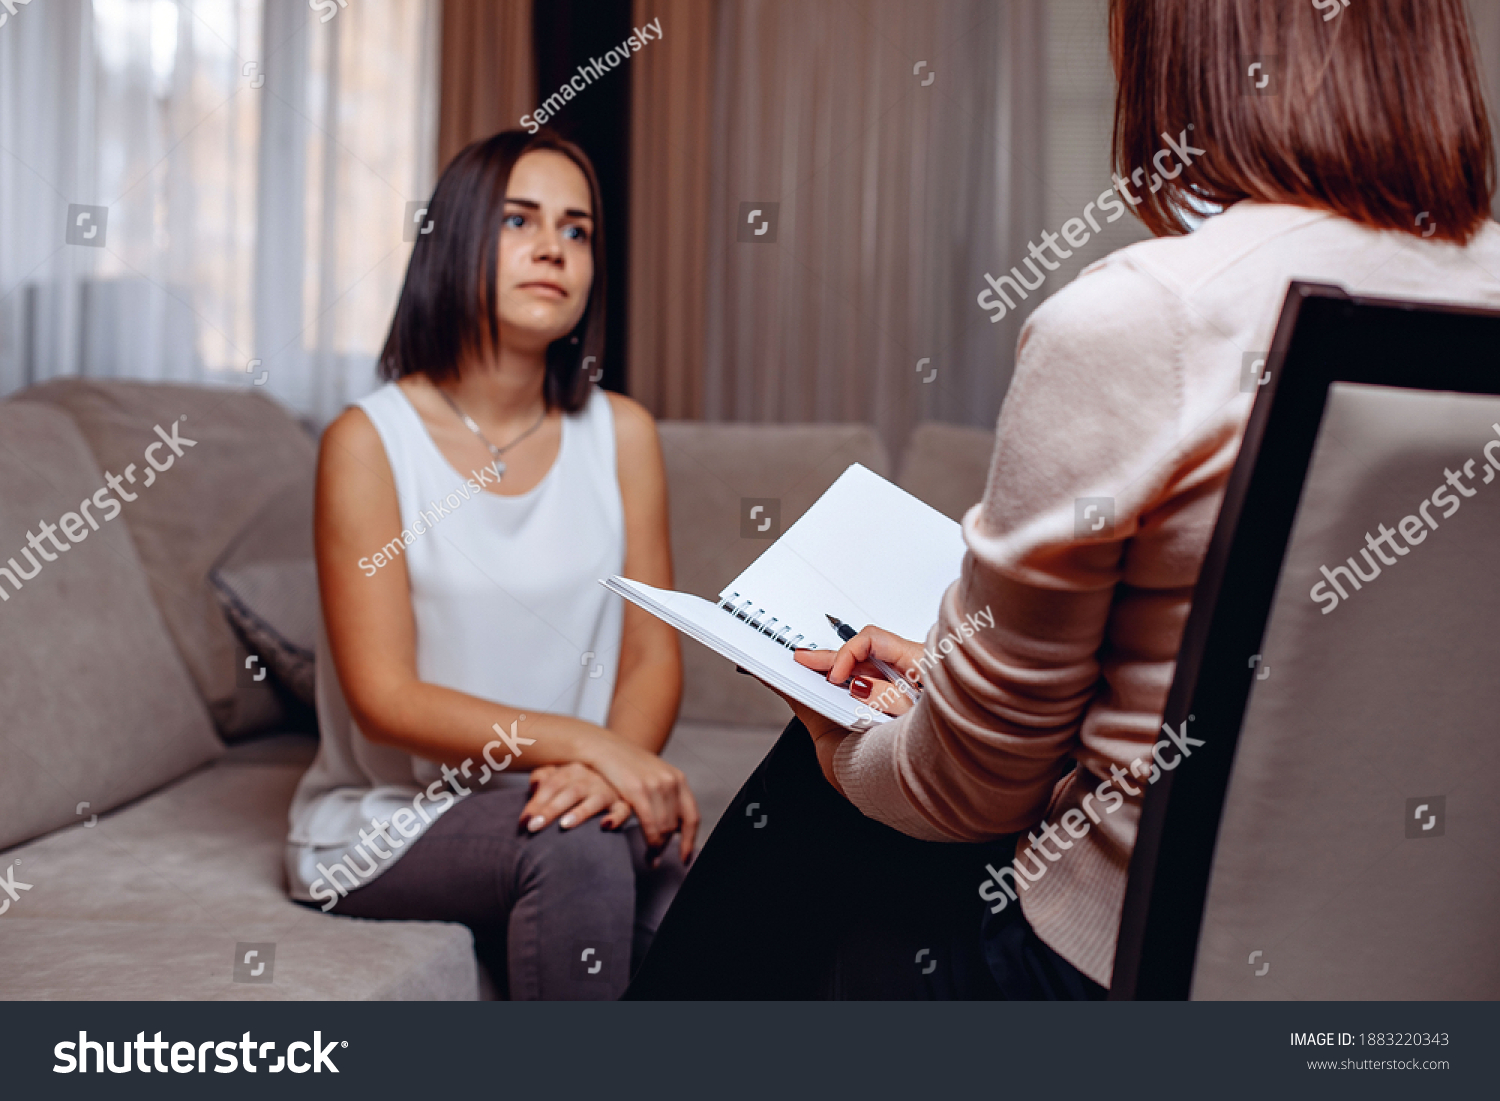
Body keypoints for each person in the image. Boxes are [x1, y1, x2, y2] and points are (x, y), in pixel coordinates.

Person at [626, 0, 1500, 999]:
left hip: (1117, 977)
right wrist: (966, 686)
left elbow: (960, 795)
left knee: (812, 803)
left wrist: (835, 733)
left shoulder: (1146, 317)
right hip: (1426, 981)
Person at [285, 129, 699, 1000]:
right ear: (459, 239)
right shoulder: (369, 442)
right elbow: (384, 696)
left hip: (572, 792)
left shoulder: (623, 434)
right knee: (583, 845)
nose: (554, 247)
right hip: (394, 821)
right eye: (520, 221)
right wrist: (592, 747)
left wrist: (602, 770)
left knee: (704, 869)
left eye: (578, 230)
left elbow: (651, 654)